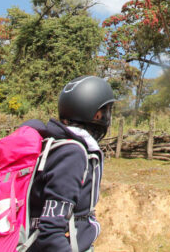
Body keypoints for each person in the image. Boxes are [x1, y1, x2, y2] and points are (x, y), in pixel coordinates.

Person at [23, 75, 116, 252]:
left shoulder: (52, 143)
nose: (107, 118)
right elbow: (50, 231)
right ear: (94, 114)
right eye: (104, 112)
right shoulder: (72, 153)